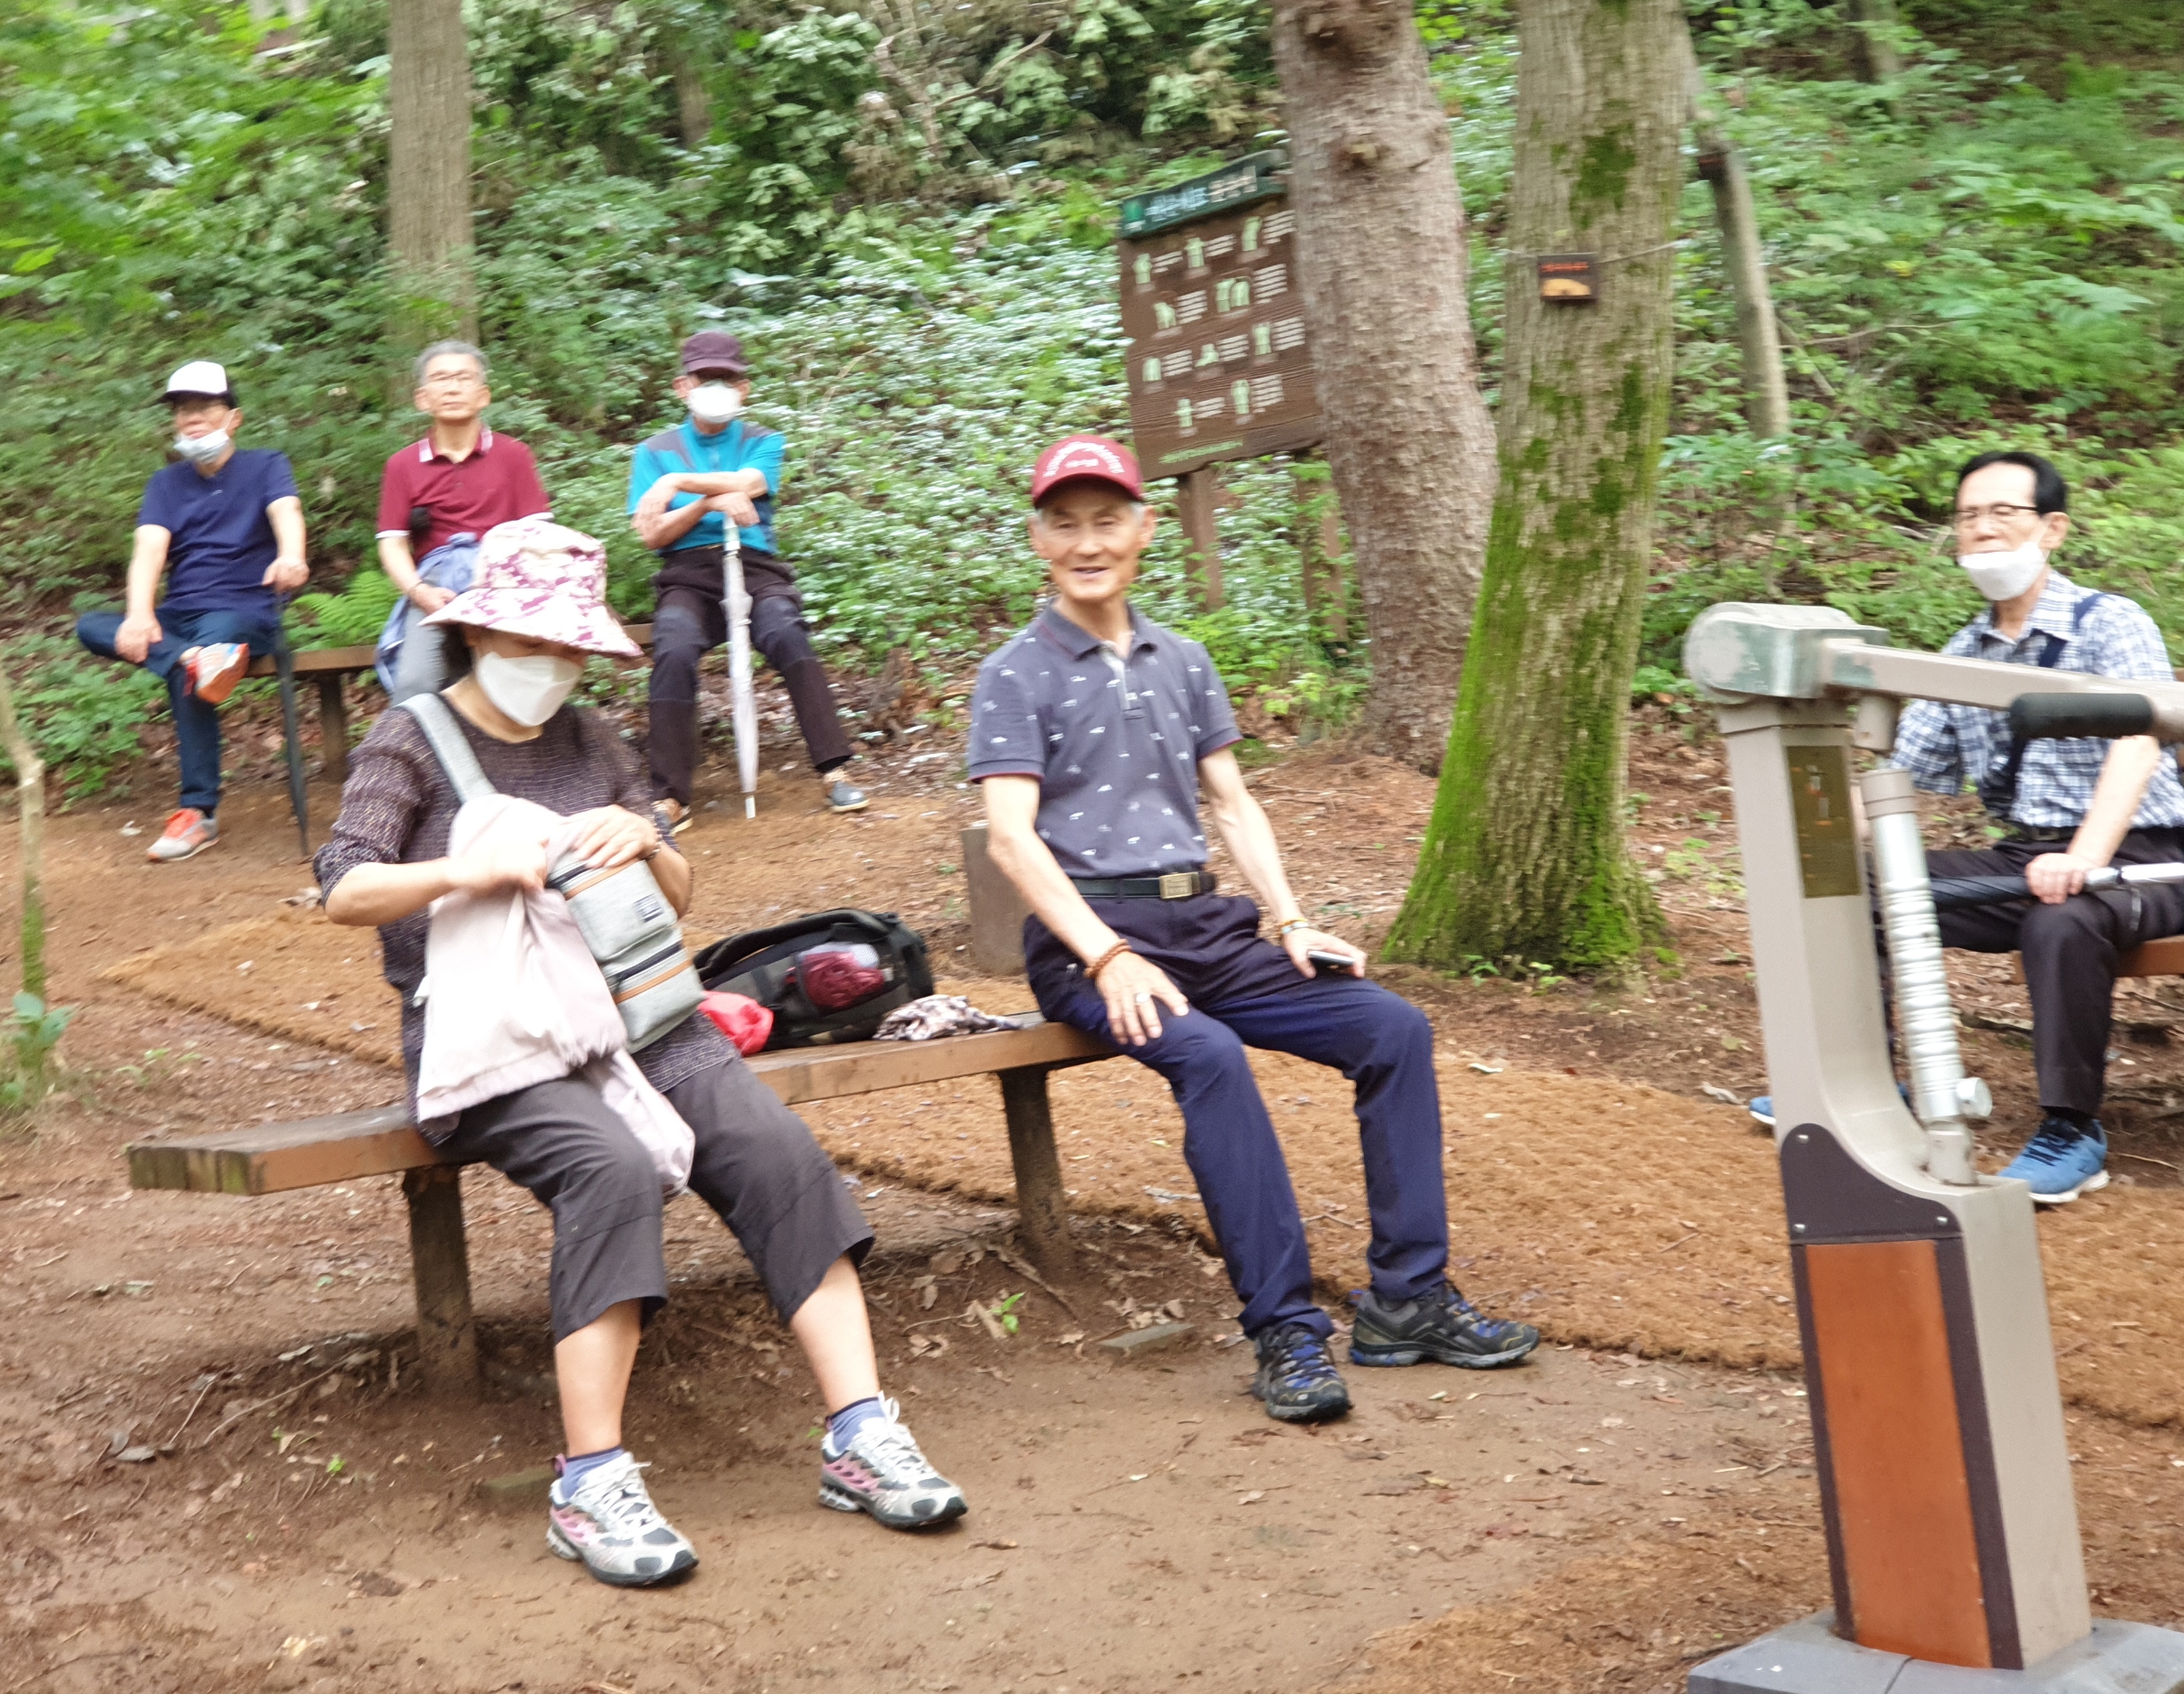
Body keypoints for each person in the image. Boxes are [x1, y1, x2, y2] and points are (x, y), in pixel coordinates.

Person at [317, 519, 965, 1589]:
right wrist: (468, 872)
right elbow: (344, 886)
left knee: (775, 1152)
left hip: (637, 1016)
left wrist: (648, 844)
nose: (550, 666)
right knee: (608, 1167)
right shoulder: (409, 737)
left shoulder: (594, 741)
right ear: (477, 633)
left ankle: (859, 1433)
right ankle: (591, 1482)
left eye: (567, 648)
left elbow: (678, 894)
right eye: (530, 643)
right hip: (497, 1038)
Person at [968, 435, 1539, 1426]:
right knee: (1211, 1057)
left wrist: (1290, 919)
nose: (1087, 543)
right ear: (1038, 541)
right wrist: (1107, 956)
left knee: (1391, 1029)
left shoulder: (1183, 660)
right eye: (1064, 524)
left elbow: (1230, 804)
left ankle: (1407, 1300)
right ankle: (1284, 1329)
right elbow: (1011, 840)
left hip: (1209, 925)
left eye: (1106, 521)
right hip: (1089, 940)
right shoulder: (1016, 673)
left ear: (1144, 530)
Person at [1751, 451, 2184, 1206]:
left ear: (2052, 529)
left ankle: (2071, 1131)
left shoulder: (2110, 622)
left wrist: (2082, 857)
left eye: (2003, 513)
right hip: (2026, 860)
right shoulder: (1965, 651)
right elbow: (1905, 773)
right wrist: (1799, 840)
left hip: (2139, 863)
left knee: (2062, 919)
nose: (1983, 529)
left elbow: (2140, 740)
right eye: (1968, 516)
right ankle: (1865, 1085)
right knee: (1851, 885)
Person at [629, 329, 867, 831]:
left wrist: (675, 484)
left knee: (786, 632)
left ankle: (835, 769)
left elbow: (750, 484)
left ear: (743, 388)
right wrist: (706, 504)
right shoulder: (654, 450)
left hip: (756, 566)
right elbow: (651, 534)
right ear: (682, 386)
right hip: (687, 573)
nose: (716, 387)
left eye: (726, 378)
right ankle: (669, 795)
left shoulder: (763, 441)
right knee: (673, 646)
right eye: (705, 378)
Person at [75, 360, 308, 862]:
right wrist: (140, 614)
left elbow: (285, 511)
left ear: (234, 418)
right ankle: (191, 657)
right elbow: (149, 550)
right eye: (182, 410)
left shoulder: (266, 465)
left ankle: (197, 811)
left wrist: (292, 556)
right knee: (92, 625)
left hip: (244, 611)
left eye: (205, 407)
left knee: (202, 657)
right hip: (180, 616)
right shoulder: (166, 483)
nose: (192, 418)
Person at [374, 340, 553, 702]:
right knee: (415, 685)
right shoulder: (402, 465)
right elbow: (392, 541)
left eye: (463, 378)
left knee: (513, 685)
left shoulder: (513, 455)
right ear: (422, 398)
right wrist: (419, 592)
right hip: (434, 586)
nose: (452, 388)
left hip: (503, 581)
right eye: (441, 379)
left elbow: (539, 535)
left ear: (483, 395)